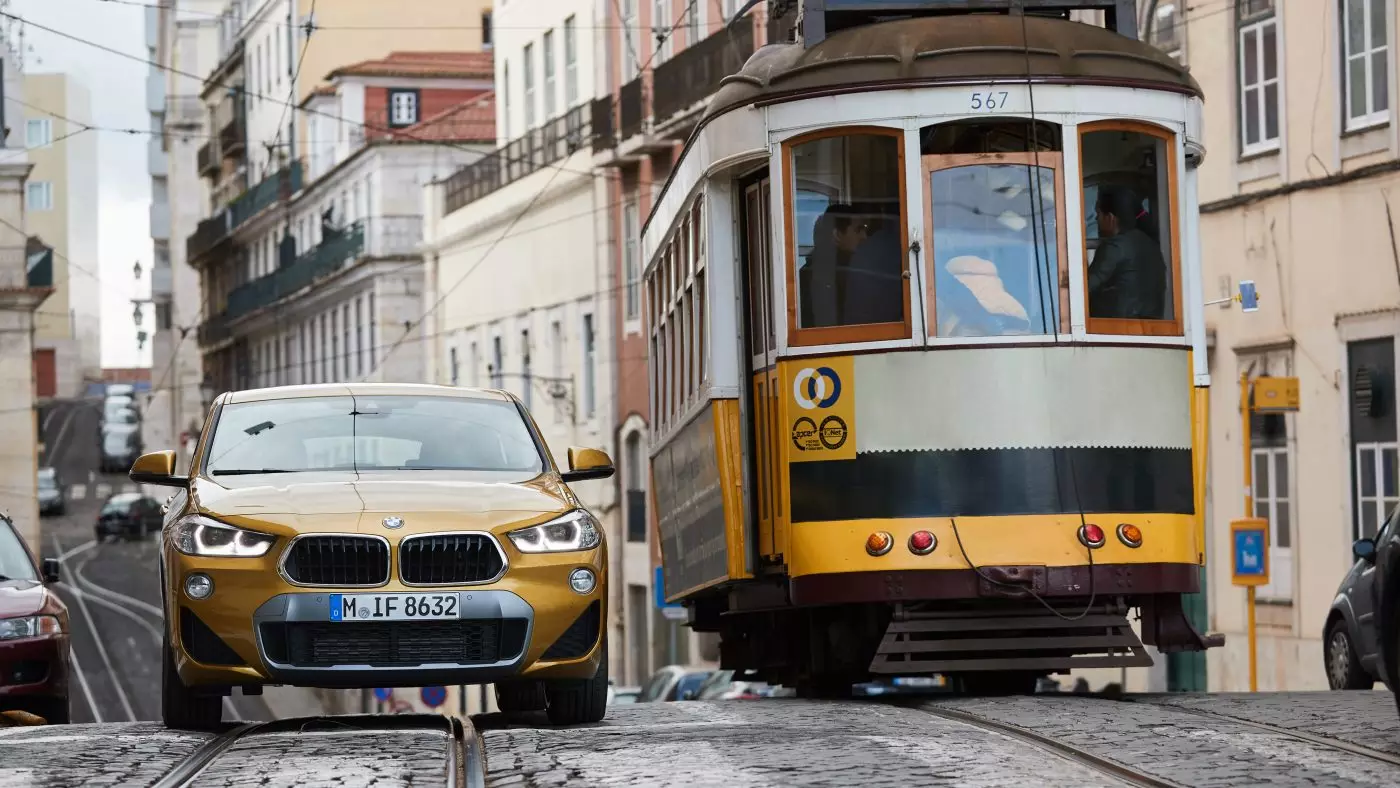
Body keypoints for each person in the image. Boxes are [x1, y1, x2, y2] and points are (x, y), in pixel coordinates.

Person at [1084, 184, 1167, 320]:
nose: (1095, 220)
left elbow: (1085, 290)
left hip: (1118, 328)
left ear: (1110, 218)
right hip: (1152, 328)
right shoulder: (1151, 245)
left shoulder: (1115, 247)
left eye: (1098, 214)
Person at [800, 204, 865, 327]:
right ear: (838, 235)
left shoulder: (848, 267)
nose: (864, 236)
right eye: (858, 230)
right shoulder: (823, 275)